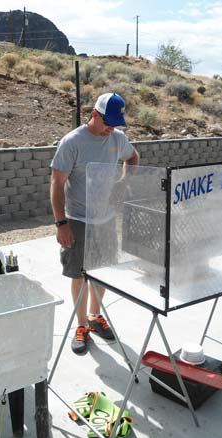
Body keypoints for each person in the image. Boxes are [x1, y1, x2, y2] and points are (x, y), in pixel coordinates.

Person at [50, 92, 139, 354]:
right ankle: (81, 326)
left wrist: (123, 183)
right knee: (78, 274)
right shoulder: (73, 142)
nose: (111, 128)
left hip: (106, 219)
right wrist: (61, 223)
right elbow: (56, 183)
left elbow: (133, 158)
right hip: (77, 219)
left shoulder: (117, 138)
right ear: (94, 115)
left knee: (103, 272)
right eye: (108, 122)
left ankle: (95, 316)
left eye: (116, 123)